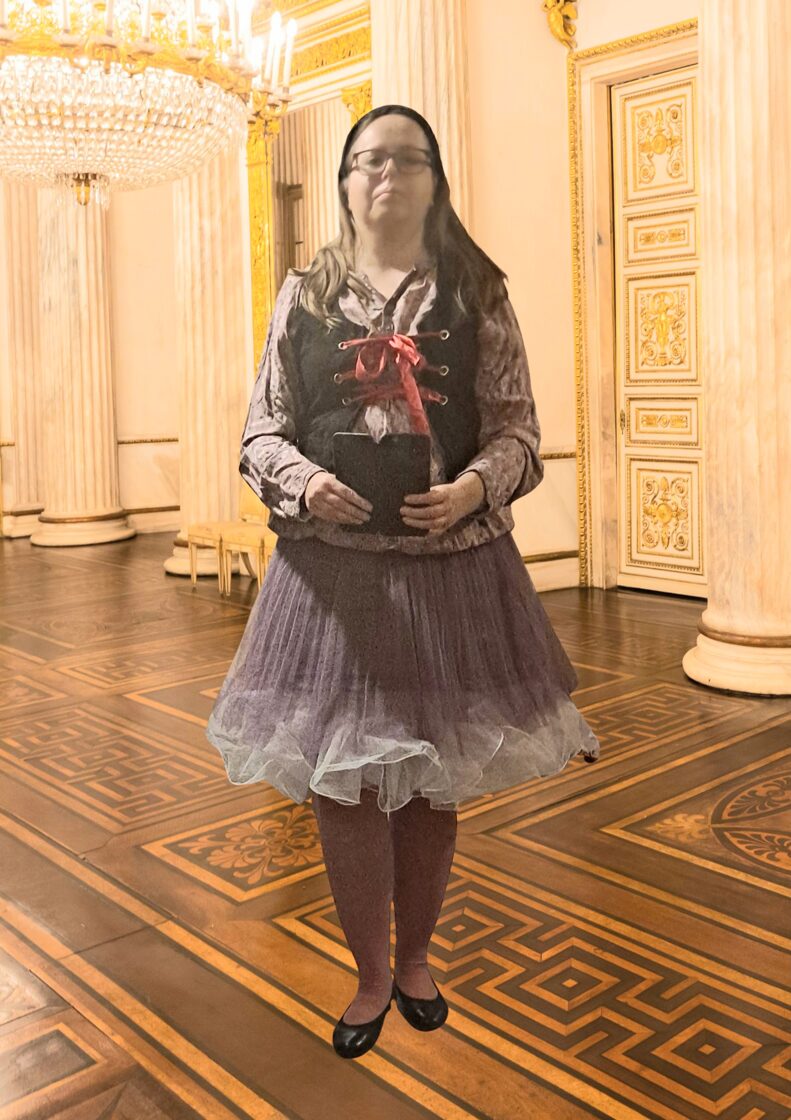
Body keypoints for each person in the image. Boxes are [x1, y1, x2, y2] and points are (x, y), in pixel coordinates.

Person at [205, 103, 601, 1060]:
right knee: (343, 789)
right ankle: (370, 975)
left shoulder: (476, 291)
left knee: (429, 781)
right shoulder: (302, 293)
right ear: (345, 182)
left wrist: (471, 488)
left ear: (434, 179)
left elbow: (517, 431)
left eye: (406, 159)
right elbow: (261, 432)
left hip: (449, 575)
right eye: (367, 161)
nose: (385, 175)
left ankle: (417, 959)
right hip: (329, 582)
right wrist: (306, 483)